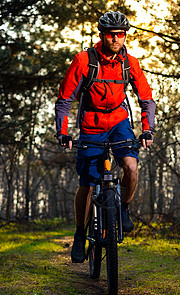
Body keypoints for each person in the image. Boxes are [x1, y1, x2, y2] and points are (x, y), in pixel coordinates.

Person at [54, 11, 156, 263]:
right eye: (111, 34)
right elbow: (64, 101)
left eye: (121, 34)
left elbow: (147, 99)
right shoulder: (83, 60)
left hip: (119, 121)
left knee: (131, 167)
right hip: (91, 124)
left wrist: (147, 129)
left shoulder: (130, 62)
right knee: (88, 182)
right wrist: (63, 132)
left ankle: (122, 209)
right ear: (102, 35)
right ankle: (80, 233)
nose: (116, 39)